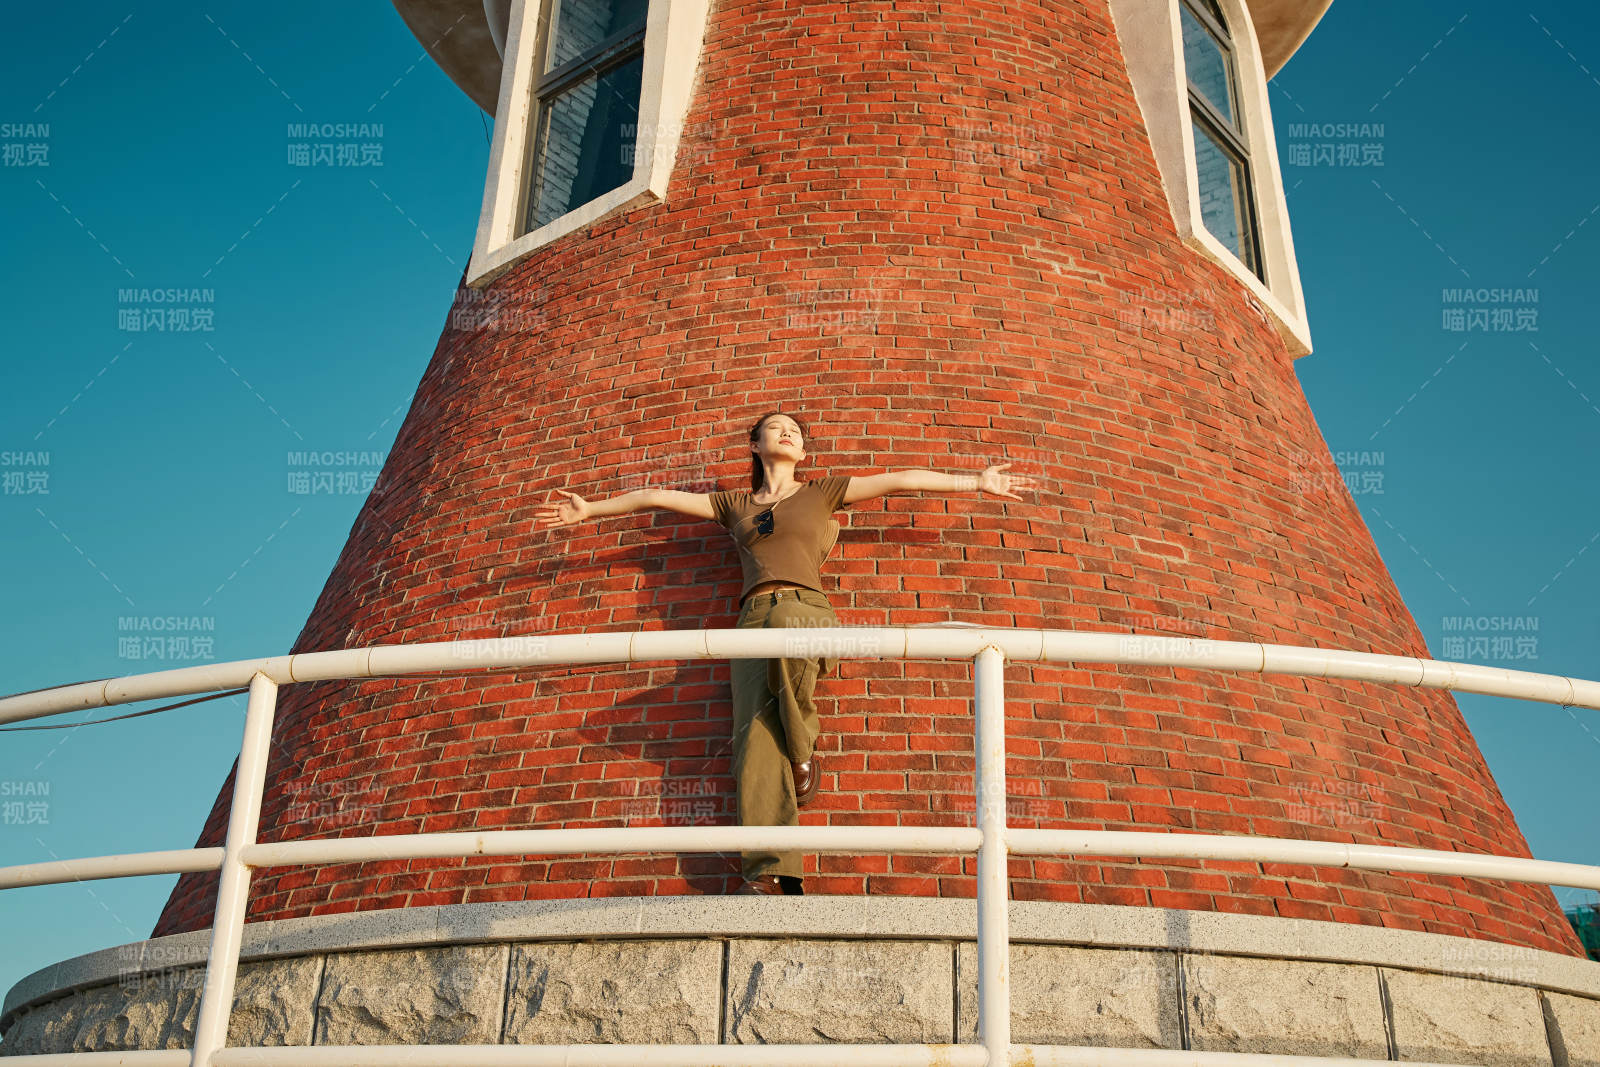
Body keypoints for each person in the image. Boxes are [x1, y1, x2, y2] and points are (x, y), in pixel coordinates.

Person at [534, 411, 1034, 895]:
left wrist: (976, 482)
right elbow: (656, 497)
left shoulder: (822, 492)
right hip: (751, 617)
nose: (789, 433)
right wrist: (591, 510)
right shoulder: (735, 505)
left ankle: (801, 752)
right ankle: (771, 874)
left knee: (790, 629)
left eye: (795, 430)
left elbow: (898, 479)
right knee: (753, 743)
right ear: (755, 445)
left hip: (805, 607)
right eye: (777, 428)